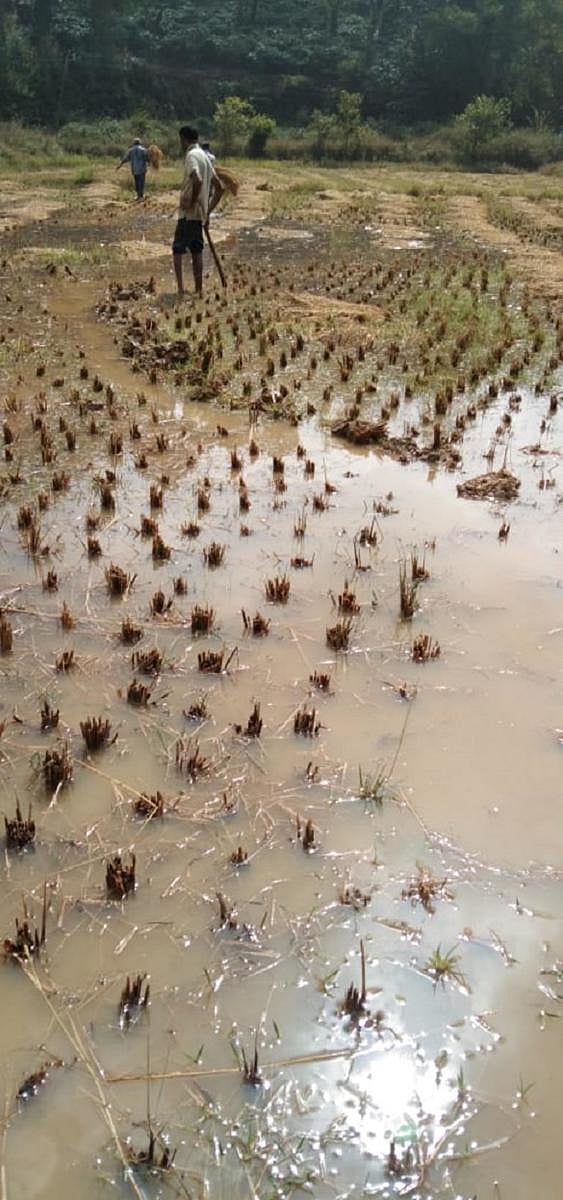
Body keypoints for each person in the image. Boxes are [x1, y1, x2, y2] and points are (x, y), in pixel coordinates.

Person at [172, 125, 224, 298]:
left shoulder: (191, 155)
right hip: (199, 214)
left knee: (177, 249)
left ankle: (180, 290)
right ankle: (198, 290)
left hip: (188, 214)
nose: (180, 143)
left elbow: (197, 180)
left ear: (184, 139)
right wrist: (207, 211)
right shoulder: (205, 157)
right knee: (196, 250)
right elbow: (220, 188)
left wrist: (192, 202)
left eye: (180, 140)